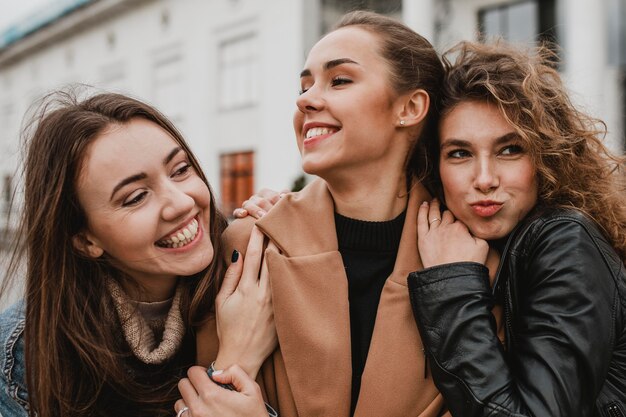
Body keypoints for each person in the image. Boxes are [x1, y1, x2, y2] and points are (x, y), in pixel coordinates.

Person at [180, 10, 455, 417]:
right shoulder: (248, 248)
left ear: (410, 107)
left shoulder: (466, 261)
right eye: (305, 85)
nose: (304, 99)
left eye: (339, 80)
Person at [0, 91, 275, 417]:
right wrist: (234, 365)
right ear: (85, 240)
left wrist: (288, 224)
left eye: (181, 169)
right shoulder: (26, 353)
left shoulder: (254, 281)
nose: (183, 202)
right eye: (136, 197)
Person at [408, 41, 626, 416]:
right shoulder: (474, 240)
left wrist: (452, 286)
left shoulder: (565, 241)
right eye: (459, 153)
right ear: (435, 166)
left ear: (546, 157)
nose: (485, 179)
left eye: (510, 149)